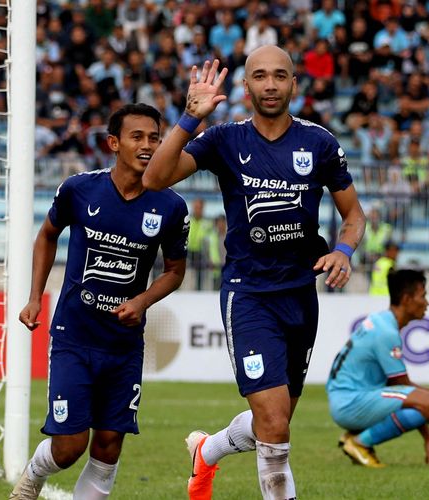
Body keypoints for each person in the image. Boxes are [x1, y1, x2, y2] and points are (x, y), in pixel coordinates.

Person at [143, 47, 366, 500]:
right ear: (245, 87)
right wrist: (189, 119)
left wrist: (344, 250)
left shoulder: (319, 143)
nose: (270, 85)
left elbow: (354, 215)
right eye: (260, 76)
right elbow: (154, 178)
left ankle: (207, 450)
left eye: (279, 76)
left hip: (300, 295)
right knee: (274, 425)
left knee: (276, 420)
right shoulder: (225, 139)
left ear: (294, 85)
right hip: (248, 294)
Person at [10, 104, 189, 499]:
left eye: (154, 138)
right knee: (69, 447)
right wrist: (34, 297)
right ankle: (34, 474)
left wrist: (142, 301)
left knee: (108, 444)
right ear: (114, 143)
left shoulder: (171, 206)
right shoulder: (80, 188)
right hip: (74, 336)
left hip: (123, 345)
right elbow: (46, 235)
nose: (147, 145)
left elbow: (175, 270)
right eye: (136, 137)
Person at [327, 269, 429, 468]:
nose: (427, 302)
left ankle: (356, 435)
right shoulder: (386, 333)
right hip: (350, 403)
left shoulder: (380, 320)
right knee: (428, 403)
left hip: (346, 398)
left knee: (426, 400)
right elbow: (405, 388)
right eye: (423, 296)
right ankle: (360, 443)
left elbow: (404, 392)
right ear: (407, 299)